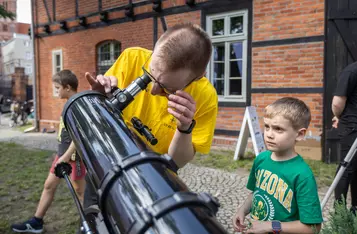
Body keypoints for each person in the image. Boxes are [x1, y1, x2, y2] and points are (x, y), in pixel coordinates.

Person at [83, 23, 218, 208]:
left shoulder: (205, 97)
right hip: (107, 164)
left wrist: (185, 128)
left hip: (152, 182)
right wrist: (98, 98)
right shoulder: (133, 58)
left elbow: (176, 162)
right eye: (149, 75)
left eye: (167, 88)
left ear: (198, 76)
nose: (153, 90)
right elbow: (96, 121)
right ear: (154, 49)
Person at [11, 70, 87, 233]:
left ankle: (90, 225)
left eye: (58, 88)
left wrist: (66, 157)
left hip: (73, 158)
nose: (56, 91)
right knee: (48, 186)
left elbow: (79, 137)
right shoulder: (69, 102)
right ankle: (36, 222)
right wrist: (60, 154)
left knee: (81, 193)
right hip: (62, 157)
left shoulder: (76, 105)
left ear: (67, 87)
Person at [232, 97, 323, 234]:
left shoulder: (302, 175)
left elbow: (313, 227)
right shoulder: (261, 159)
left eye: (278, 129)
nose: (269, 134)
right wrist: (242, 210)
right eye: (267, 127)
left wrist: (271, 226)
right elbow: (255, 193)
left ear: (299, 134)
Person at [332, 61, 357, 215]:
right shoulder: (352, 71)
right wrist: (338, 116)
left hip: (352, 124)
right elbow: (338, 102)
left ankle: (351, 209)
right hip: (352, 126)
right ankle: (341, 211)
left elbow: (337, 103)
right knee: (348, 167)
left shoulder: (351, 70)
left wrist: (337, 115)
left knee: (350, 168)